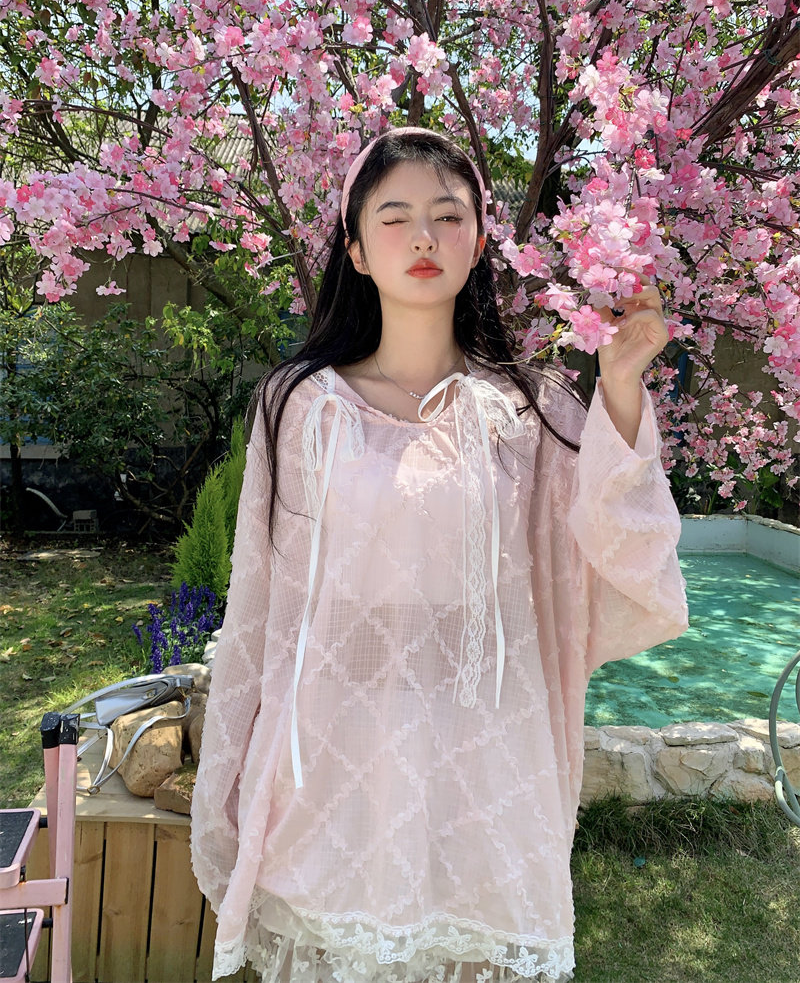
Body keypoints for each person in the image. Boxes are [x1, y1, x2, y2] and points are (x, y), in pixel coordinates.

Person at [191, 126, 688, 983]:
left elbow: (616, 550)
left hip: (484, 750)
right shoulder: (301, 406)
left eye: (448, 216)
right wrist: (235, 764)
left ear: (481, 241)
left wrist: (618, 384)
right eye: (394, 217)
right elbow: (264, 601)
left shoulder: (532, 411)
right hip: (336, 753)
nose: (423, 236)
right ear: (355, 249)